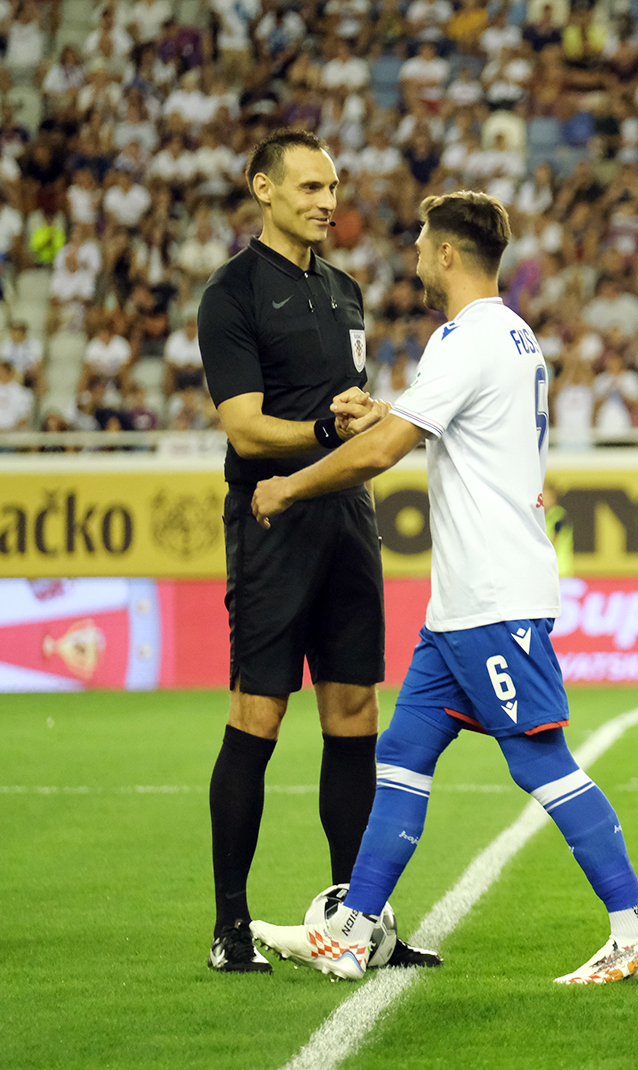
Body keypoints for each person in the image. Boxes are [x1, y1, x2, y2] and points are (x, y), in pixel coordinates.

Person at [249, 191, 638, 984]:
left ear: (446, 253)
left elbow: (382, 456)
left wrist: (288, 487)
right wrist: (387, 409)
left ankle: (636, 928)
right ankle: (353, 927)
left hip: (493, 596)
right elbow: (446, 427)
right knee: (405, 752)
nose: (412, 250)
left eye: (419, 239)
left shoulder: (464, 337)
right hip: (464, 605)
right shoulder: (512, 334)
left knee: (542, 761)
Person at [198, 128, 434, 974]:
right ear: (261, 187)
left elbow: (343, 408)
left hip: (345, 518)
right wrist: (323, 428)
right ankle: (230, 929)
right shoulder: (230, 294)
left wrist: (358, 423)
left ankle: (354, 922)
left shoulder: (344, 290)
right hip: (269, 520)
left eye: (332, 187)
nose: (326, 201)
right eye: (308, 187)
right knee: (257, 717)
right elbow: (243, 425)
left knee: (354, 716)